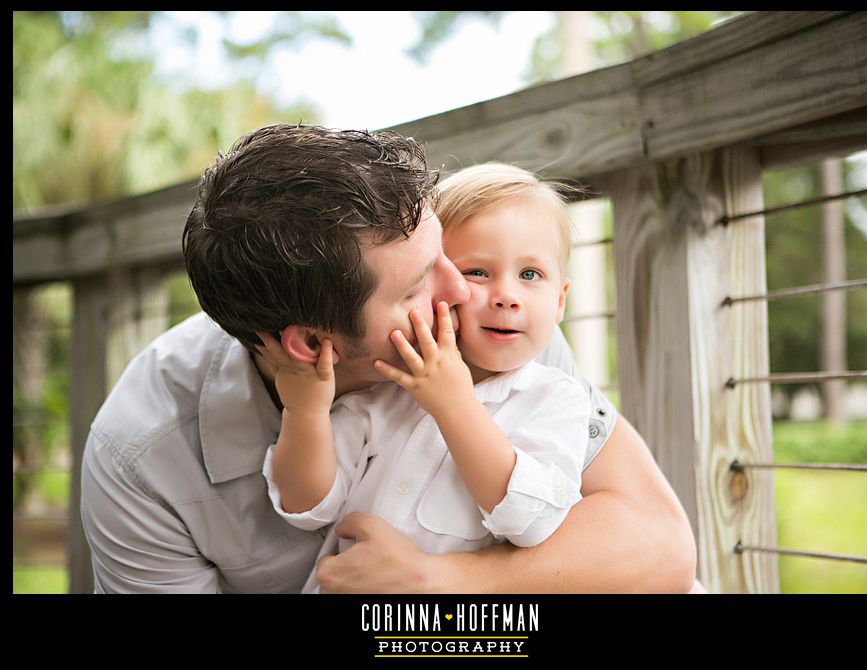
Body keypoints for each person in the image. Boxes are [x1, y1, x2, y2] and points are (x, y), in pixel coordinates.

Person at [80, 123, 698, 593]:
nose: (464, 292)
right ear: (314, 346)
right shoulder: (141, 459)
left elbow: (661, 549)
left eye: (446, 257)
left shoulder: (487, 335)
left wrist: (437, 585)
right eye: (420, 283)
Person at [260, 163, 592, 592]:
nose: (507, 297)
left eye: (530, 275)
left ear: (560, 299)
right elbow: (306, 505)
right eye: (478, 272)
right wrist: (305, 410)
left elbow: (534, 521)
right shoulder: (384, 390)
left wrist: (453, 405)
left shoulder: (556, 399)